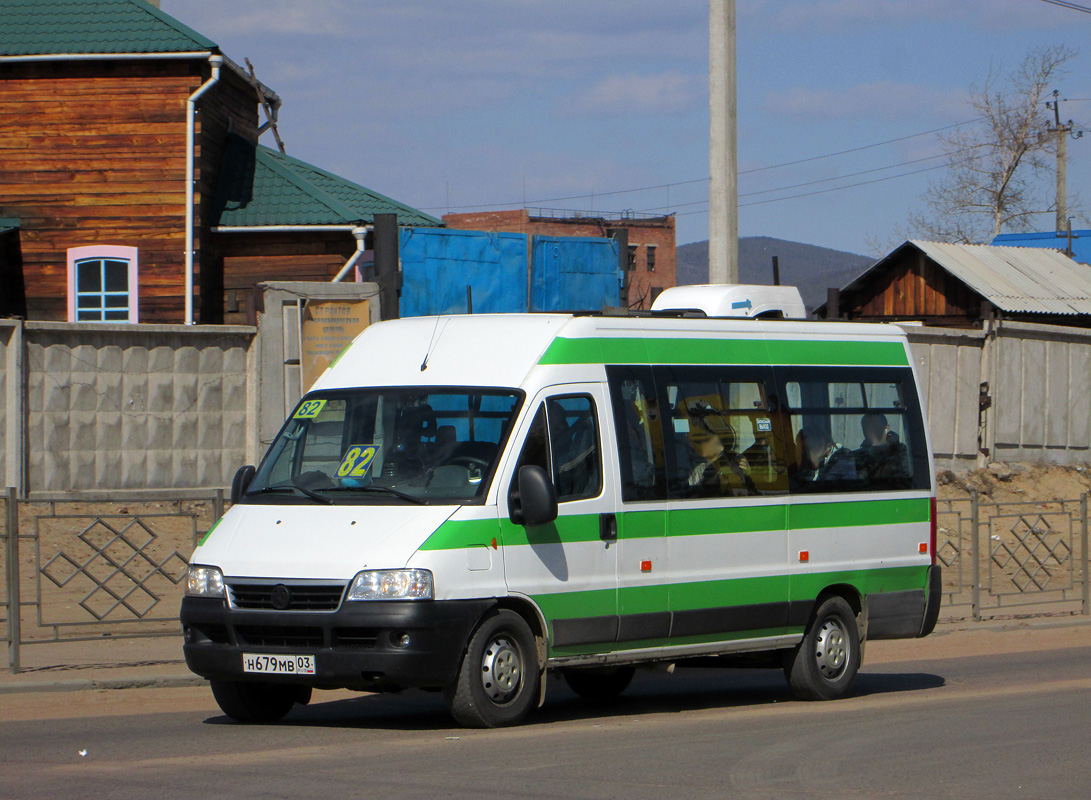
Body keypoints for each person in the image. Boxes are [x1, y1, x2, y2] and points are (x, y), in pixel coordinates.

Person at [855, 412, 911, 487]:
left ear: (887, 428)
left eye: (875, 426)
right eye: (866, 427)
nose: (870, 431)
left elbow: (905, 482)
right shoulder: (859, 455)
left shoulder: (900, 452)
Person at [792, 425, 857, 487]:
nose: (802, 452)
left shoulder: (844, 461)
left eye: (804, 448)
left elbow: (849, 489)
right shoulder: (807, 465)